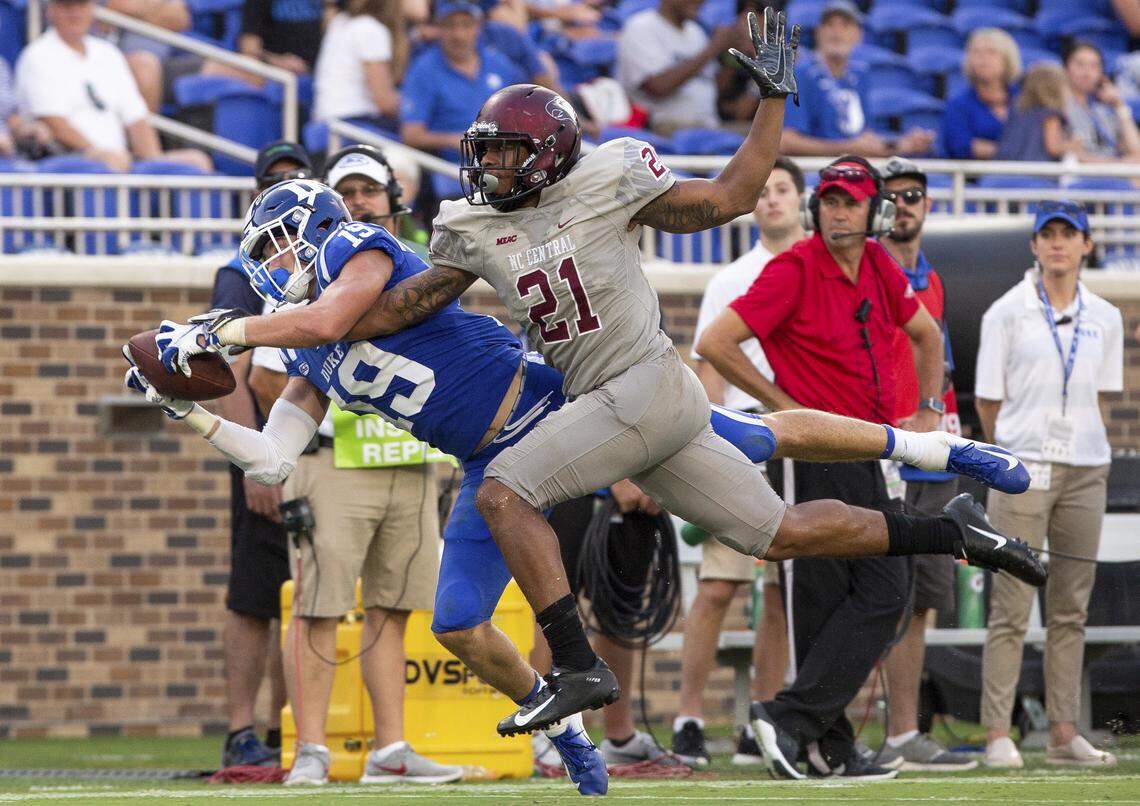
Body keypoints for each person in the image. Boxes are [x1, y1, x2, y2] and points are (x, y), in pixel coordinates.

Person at [157, 11, 1043, 750]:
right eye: (485, 153)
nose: (485, 168)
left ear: (543, 154)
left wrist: (772, 99)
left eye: (502, 154)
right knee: (777, 530)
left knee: (509, 491)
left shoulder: (611, 176)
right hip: (602, 402)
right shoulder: (469, 225)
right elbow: (395, 310)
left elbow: (731, 194)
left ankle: (577, 666)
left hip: (635, 380)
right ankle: (946, 530)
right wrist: (237, 369)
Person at [696, 155, 949, 780]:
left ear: (873, 213)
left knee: (883, 591)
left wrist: (927, 406)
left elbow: (927, 334)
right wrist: (786, 409)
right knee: (825, 597)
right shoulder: (794, 269)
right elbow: (714, 343)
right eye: (831, 200)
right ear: (818, 208)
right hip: (810, 455)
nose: (839, 210)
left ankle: (806, 728)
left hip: (866, 448)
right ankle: (813, 735)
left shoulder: (880, 267)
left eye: (852, 202)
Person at [975, 201, 1123, 770]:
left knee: (1070, 607)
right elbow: (988, 400)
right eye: (1048, 235)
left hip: (1087, 467)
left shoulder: (1105, 316)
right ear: (1034, 246)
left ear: (1086, 245)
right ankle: (996, 733)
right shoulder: (1005, 312)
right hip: (1023, 468)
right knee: (1011, 604)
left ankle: (1064, 731)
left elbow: (1101, 396)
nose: (1058, 244)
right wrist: (1016, 454)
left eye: (1070, 234)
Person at [670, 156, 805, 767]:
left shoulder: (822, 273)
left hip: (809, 437)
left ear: (802, 201)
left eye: (784, 190)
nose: (773, 199)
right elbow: (707, 367)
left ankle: (763, 717)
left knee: (782, 588)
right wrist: (720, 443)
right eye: (766, 190)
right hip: (748, 432)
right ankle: (690, 715)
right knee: (720, 584)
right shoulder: (731, 278)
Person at [875, 156, 976, 773]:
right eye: (893, 196)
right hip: (885, 448)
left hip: (934, 459)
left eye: (914, 194)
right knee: (876, 594)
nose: (904, 204)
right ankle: (829, 722)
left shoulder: (932, 278)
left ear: (928, 205)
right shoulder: (869, 272)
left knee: (922, 601)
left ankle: (903, 731)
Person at [214, 140, 312, 770]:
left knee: (302, 593)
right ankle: (240, 729)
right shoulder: (242, 271)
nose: (283, 187)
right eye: (273, 179)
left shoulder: (329, 262)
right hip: (265, 446)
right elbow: (227, 370)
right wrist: (258, 463)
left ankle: (288, 729)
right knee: (255, 593)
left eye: (295, 180)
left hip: (319, 448)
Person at [14, 0, 211, 173]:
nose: (75, 13)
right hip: (70, 160)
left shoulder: (108, 54)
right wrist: (99, 152)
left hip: (119, 159)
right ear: (51, 10)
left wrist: (154, 159)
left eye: (81, 5)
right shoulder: (37, 56)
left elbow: (136, 117)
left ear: (92, 8)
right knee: (111, 162)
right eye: (66, 6)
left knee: (196, 161)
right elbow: (55, 123)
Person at [780, 0, 934, 158]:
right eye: (829, 25)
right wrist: (848, 148)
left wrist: (901, 144)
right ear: (817, 32)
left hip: (853, 167)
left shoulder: (860, 75)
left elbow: (864, 139)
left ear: (859, 35)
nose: (836, 32)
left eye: (845, 25)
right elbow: (787, 141)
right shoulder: (801, 74)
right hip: (817, 171)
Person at [399, 1, 526, 162]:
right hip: (453, 166)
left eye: (466, 25)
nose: (458, 35)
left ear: (478, 28)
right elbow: (411, 134)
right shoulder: (423, 70)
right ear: (438, 28)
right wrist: (458, 140)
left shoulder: (498, 63)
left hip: (505, 159)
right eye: (450, 26)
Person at [616, 0, 736, 133]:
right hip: (663, 130)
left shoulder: (696, 32)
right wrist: (713, 48)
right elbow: (657, 87)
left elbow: (715, 88)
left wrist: (732, 56)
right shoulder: (641, 26)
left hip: (707, 127)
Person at [313, 0, 408, 129]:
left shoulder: (339, 21)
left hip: (326, 121)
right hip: (352, 123)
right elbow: (384, 102)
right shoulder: (370, 29)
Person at [940, 28, 1021, 161]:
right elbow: (961, 146)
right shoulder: (958, 104)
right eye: (976, 53)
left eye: (991, 52)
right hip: (975, 178)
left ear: (1007, 59)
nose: (983, 59)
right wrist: (1011, 151)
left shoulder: (1023, 99)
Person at [1062, 40, 1140, 164]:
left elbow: (1136, 151)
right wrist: (1118, 165)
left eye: (1094, 66)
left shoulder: (1102, 111)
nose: (1087, 73)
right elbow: (1076, 156)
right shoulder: (1060, 105)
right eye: (1080, 64)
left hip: (1113, 171)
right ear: (1066, 68)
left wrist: (1119, 105)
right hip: (1082, 176)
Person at [994, 63, 1073, 163]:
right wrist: (1071, 145)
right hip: (1035, 172)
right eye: (1065, 86)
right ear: (1054, 90)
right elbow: (1053, 148)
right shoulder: (1050, 115)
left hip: (1003, 170)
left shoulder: (1017, 112)